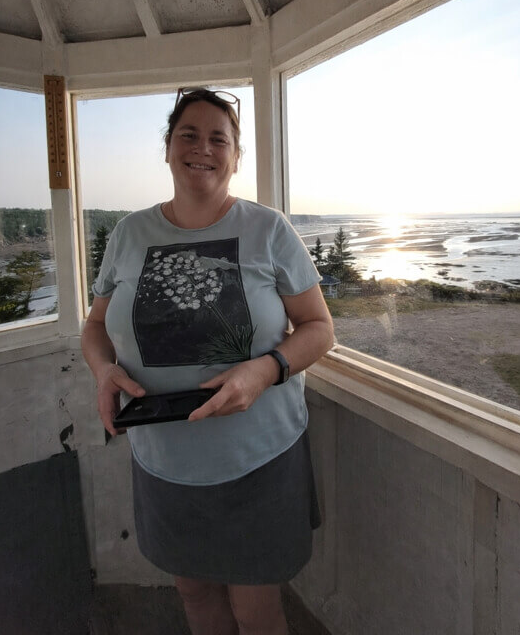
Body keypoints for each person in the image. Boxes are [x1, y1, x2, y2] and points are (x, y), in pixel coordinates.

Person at [81, 87, 334, 635]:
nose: (203, 148)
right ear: (168, 149)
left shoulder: (269, 230)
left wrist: (264, 370)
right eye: (188, 135)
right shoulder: (129, 234)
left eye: (219, 138)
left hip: (257, 461)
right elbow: (96, 326)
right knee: (194, 595)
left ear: (236, 157)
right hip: (163, 463)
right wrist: (104, 372)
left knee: (256, 609)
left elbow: (320, 329)